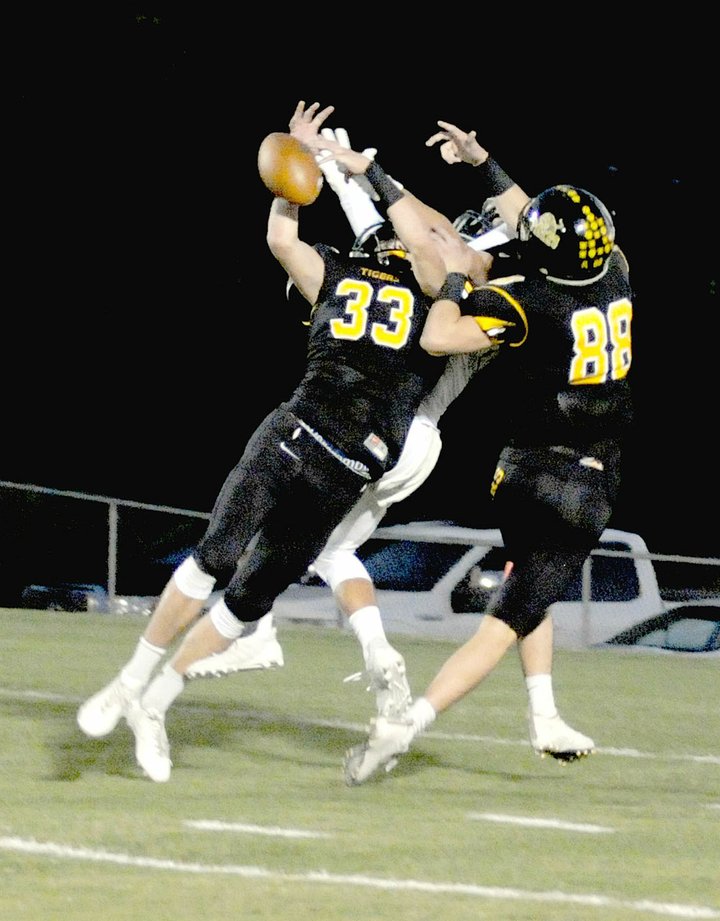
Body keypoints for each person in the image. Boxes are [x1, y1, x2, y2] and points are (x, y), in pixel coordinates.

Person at [75, 100, 466, 783]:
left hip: (336, 462)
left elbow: (287, 242)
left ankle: (153, 701)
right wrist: (306, 177)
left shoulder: (383, 279)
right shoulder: (430, 296)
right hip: (310, 440)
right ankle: (129, 683)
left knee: (246, 597)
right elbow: (310, 248)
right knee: (216, 558)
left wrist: (295, 185)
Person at [185, 126, 597, 761]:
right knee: (329, 547)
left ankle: (268, 632)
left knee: (301, 530)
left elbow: (420, 242)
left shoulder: (482, 278)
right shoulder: (509, 276)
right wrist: (347, 167)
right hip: (415, 439)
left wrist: (356, 169)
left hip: (397, 429)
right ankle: (377, 660)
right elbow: (391, 233)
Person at [341, 120, 634, 785]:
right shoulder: (615, 272)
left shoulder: (528, 300)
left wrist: (453, 279)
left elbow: (444, 331)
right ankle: (404, 725)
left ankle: (543, 713)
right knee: (505, 621)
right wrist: (484, 164)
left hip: (520, 469)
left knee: (529, 584)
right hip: (581, 483)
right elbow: (530, 226)